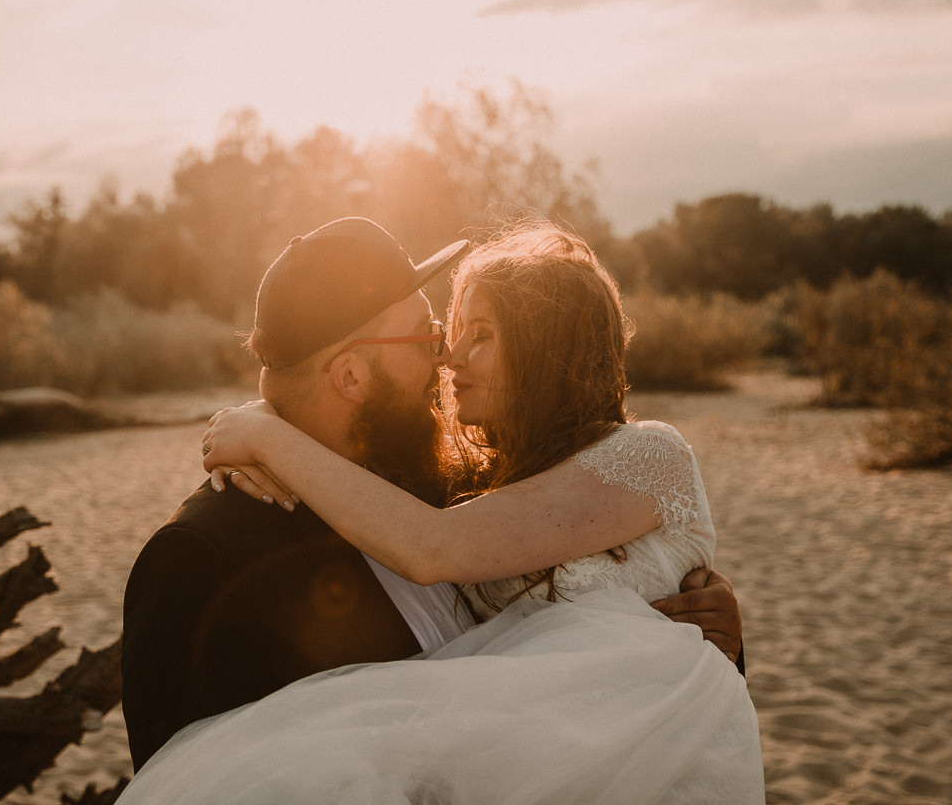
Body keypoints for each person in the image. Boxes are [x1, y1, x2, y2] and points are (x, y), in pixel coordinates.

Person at [119, 218, 749, 783]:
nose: (444, 358)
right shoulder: (196, 560)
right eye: (427, 336)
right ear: (350, 377)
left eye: (463, 333)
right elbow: (186, 779)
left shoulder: (450, 486)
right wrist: (263, 425)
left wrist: (713, 635)